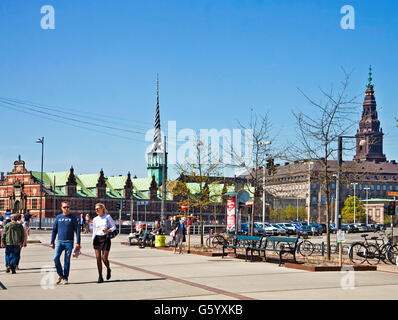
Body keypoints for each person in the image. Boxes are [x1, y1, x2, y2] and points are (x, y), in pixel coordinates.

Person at [51, 201, 81, 285]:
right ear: (61, 208)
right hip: (59, 242)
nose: (66, 209)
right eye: (64, 207)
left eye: (68, 207)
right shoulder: (58, 217)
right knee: (56, 258)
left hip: (69, 242)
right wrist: (52, 242)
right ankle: (60, 274)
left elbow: (77, 231)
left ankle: (65, 278)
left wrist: (78, 242)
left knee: (66, 261)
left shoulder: (73, 218)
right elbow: (54, 230)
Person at [92, 203, 116, 283]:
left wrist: (108, 230)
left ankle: (108, 269)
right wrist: (93, 239)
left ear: (102, 209)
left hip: (105, 238)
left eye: (98, 208)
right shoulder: (95, 219)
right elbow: (94, 230)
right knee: (98, 258)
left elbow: (114, 227)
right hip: (97, 238)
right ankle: (100, 276)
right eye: (95, 209)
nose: (96, 210)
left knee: (104, 258)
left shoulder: (107, 217)